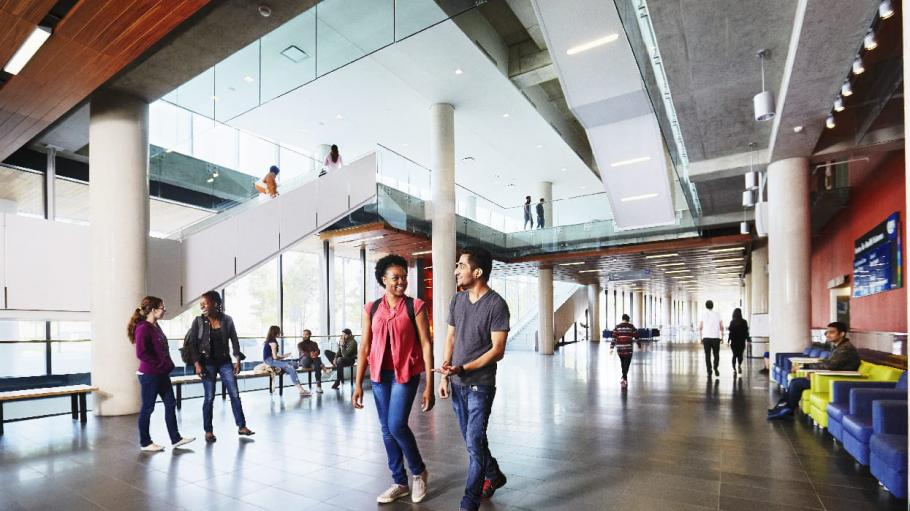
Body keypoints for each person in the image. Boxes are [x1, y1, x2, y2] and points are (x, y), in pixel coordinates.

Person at [353, 254, 434, 504]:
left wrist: (429, 386)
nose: (401, 282)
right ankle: (399, 482)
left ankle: (419, 472)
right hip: (379, 375)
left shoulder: (415, 306)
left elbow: (426, 344)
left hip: (405, 374)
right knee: (387, 430)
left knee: (397, 424)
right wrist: (358, 384)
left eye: (404, 277)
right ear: (383, 279)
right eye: (395, 277)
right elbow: (365, 346)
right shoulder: (371, 308)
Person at [438, 246, 509, 511]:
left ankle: (469, 503)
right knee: (473, 440)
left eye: (461, 266)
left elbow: (497, 350)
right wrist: (445, 375)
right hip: (457, 383)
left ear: (477, 272)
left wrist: (464, 368)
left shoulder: (496, 304)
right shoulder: (457, 300)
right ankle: (494, 474)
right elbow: (450, 338)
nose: (456, 271)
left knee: (473, 443)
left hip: (481, 384)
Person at [185, 290, 255, 442]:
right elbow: (193, 345)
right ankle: (208, 431)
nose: (202, 306)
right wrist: (197, 364)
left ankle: (242, 426)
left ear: (215, 303)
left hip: (225, 362)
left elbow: (234, 341)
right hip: (207, 364)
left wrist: (238, 360)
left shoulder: (227, 320)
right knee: (209, 397)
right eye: (201, 303)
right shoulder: (198, 321)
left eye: (205, 303)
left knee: (234, 394)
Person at [129, 296, 194, 452]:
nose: (164, 310)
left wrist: (166, 364)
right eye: (162, 307)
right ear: (153, 310)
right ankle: (145, 443)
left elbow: (162, 348)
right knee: (148, 408)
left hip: (161, 373)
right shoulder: (143, 327)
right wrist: (160, 364)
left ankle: (176, 438)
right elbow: (141, 353)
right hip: (150, 375)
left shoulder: (155, 326)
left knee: (170, 403)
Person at [768, 322, 860, 420]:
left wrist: (805, 366)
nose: (828, 335)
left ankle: (787, 409)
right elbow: (832, 365)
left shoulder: (846, 349)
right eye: (827, 332)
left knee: (796, 384)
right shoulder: (839, 347)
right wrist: (814, 372)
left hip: (839, 381)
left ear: (842, 334)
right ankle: (783, 408)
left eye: (832, 332)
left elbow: (830, 365)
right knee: (795, 381)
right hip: (831, 377)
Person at [262, 325, 309, 396]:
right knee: (291, 368)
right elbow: (274, 358)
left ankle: (281, 368)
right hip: (270, 361)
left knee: (295, 364)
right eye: (279, 331)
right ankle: (301, 390)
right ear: (276, 332)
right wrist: (283, 356)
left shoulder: (270, 341)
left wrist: (284, 356)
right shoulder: (273, 343)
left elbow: (273, 356)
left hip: (271, 360)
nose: (280, 333)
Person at [611, 314, 639, 388]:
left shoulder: (617, 327)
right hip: (628, 349)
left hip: (620, 349)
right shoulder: (631, 327)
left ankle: (623, 377)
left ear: (622, 319)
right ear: (628, 319)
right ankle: (624, 377)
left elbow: (614, 338)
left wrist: (611, 347)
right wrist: (639, 345)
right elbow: (636, 336)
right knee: (626, 364)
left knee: (623, 363)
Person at [699, 300, 724, 377]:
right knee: (716, 354)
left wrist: (700, 338)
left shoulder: (703, 315)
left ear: (706, 306)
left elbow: (700, 327)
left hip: (706, 338)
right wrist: (722, 337)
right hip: (716, 337)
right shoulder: (717, 314)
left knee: (707, 355)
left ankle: (709, 371)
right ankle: (715, 368)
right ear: (713, 306)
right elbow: (721, 327)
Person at [297, 329, 324, 394]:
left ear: (310, 335)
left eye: (306, 334)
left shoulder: (314, 343)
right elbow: (303, 353)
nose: (304, 336)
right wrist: (311, 354)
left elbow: (318, 351)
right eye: (303, 334)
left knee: (317, 366)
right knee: (316, 359)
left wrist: (316, 352)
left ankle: (318, 386)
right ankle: (325, 369)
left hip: (313, 361)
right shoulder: (300, 344)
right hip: (304, 361)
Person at [727, 308, 750, 375]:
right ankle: (739, 365)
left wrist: (728, 341)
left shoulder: (732, 322)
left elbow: (730, 333)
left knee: (734, 355)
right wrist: (748, 339)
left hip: (734, 342)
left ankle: (734, 369)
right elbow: (746, 332)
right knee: (740, 355)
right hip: (741, 341)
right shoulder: (744, 322)